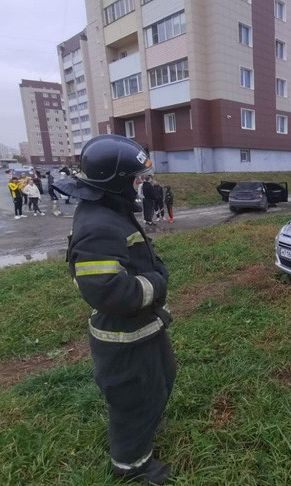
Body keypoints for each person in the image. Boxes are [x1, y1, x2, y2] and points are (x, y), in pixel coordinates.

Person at [52, 135, 176, 484]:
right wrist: (158, 283)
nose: (140, 184)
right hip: (123, 335)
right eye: (135, 178)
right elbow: (108, 291)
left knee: (160, 380)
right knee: (133, 399)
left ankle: (145, 426)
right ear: (117, 180)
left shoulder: (108, 210)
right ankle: (132, 466)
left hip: (142, 328)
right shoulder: (99, 226)